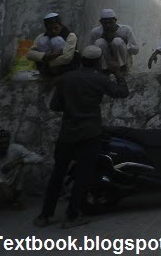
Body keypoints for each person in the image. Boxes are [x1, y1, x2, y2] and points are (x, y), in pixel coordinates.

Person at [35, 45, 130, 229]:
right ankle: (72, 215)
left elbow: (55, 106)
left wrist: (73, 106)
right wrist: (118, 72)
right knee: (83, 175)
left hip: (67, 134)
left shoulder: (64, 79)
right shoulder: (99, 79)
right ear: (97, 61)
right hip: (90, 133)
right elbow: (122, 92)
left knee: (58, 174)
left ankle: (44, 215)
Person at [0, 129, 45, 215]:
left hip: (11, 179)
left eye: (6, 143)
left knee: (25, 167)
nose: (4, 146)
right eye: (0, 144)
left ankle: (14, 200)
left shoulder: (16, 148)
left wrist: (17, 162)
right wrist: (2, 185)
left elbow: (40, 158)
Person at [26, 12, 78, 78]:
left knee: (56, 40)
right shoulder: (42, 36)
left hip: (66, 69)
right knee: (43, 40)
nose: (53, 31)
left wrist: (48, 63)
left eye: (56, 28)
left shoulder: (71, 36)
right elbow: (29, 54)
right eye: (50, 29)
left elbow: (67, 57)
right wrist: (45, 56)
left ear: (61, 25)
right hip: (47, 68)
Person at [88, 9, 138, 73]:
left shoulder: (125, 30)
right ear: (101, 22)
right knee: (99, 42)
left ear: (115, 20)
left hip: (124, 62)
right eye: (105, 23)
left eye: (111, 22)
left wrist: (123, 43)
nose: (108, 25)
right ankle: (105, 69)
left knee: (117, 41)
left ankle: (122, 68)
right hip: (106, 63)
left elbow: (136, 50)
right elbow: (90, 51)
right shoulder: (95, 32)